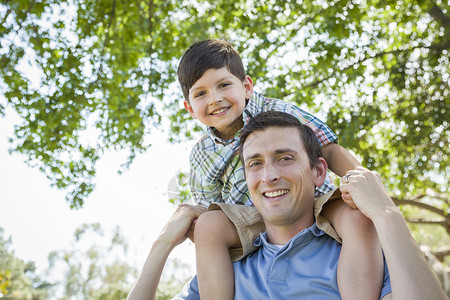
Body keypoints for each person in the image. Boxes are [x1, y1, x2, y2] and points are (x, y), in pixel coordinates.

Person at [127, 111, 447, 300]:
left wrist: (386, 214)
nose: (269, 176)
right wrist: (162, 245)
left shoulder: (362, 255)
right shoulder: (224, 273)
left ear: (318, 171)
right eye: (255, 163)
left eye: (285, 158)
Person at [177, 39, 382, 299]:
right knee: (208, 225)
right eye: (201, 94)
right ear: (190, 109)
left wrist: (361, 182)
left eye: (224, 85)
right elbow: (209, 206)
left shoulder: (275, 111)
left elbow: (328, 149)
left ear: (246, 87)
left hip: (310, 201)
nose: (215, 99)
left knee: (356, 217)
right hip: (251, 220)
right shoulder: (201, 154)